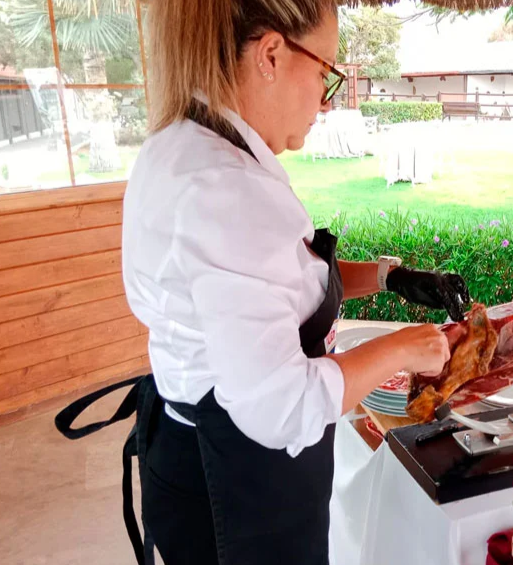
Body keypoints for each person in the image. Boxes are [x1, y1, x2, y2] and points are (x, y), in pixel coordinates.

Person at [53, 0, 470, 564]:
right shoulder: (229, 192)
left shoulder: (179, 147)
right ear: (271, 53)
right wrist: (405, 346)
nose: (325, 100)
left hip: (189, 455)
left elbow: (265, 288)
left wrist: (387, 278)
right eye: (325, 70)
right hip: (236, 487)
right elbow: (284, 407)